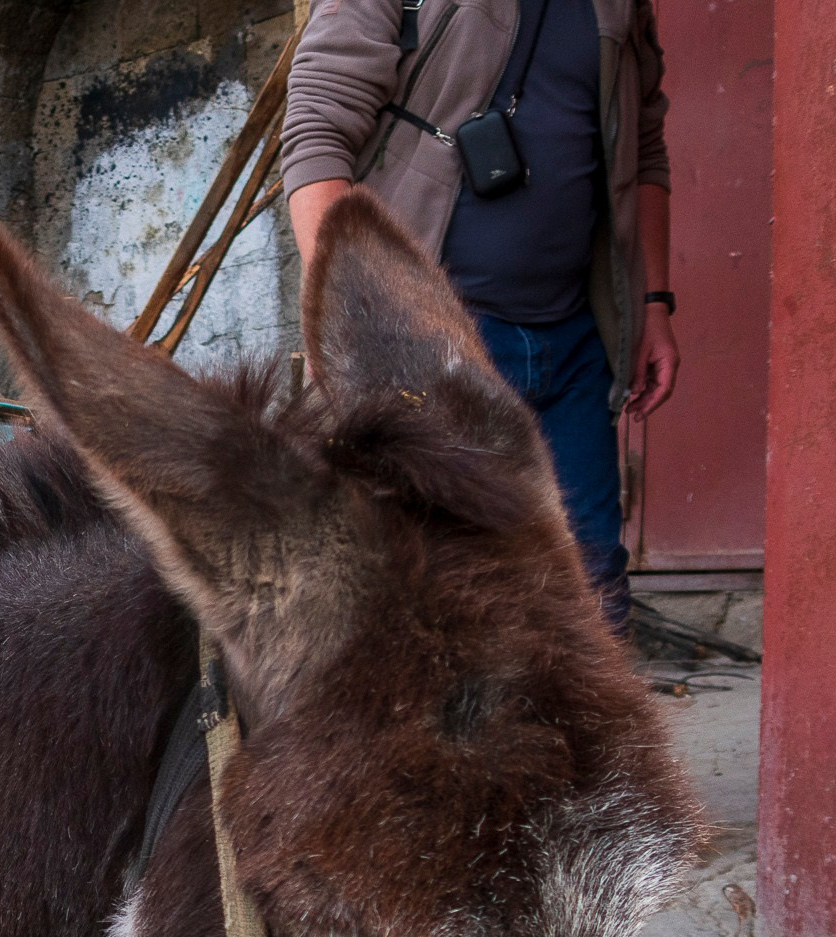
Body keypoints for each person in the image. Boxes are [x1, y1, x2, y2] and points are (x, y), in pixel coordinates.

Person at [281, 0, 679, 628]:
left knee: (590, 587)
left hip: (573, 340)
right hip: (426, 344)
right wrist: (357, 325)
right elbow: (317, 138)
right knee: (429, 597)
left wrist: (654, 303)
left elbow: (645, 149)